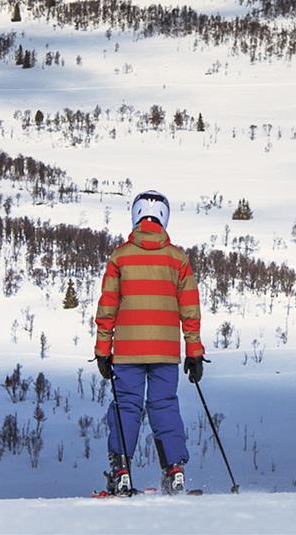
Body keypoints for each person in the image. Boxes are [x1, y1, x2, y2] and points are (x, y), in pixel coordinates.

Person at [95, 190, 204, 495]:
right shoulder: (178, 259)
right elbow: (190, 310)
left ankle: (121, 471)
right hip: (166, 352)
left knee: (126, 407)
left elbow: (108, 307)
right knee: (164, 405)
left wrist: (103, 349)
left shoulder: (120, 256)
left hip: (127, 351)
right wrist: (194, 351)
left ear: (136, 215)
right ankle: (174, 471)